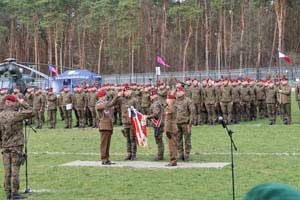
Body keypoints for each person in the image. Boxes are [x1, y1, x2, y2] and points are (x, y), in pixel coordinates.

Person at [0, 95, 34, 200]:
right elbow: (31, 111)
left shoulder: (0, 115)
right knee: (15, 170)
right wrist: (22, 102)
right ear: (13, 103)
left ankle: (8, 193)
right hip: (16, 146)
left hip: (5, 146)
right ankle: (15, 192)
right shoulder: (16, 115)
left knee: (7, 171)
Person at [95, 89, 121, 165]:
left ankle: (107, 158)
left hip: (109, 125)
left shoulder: (105, 103)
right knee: (104, 143)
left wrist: (117, 97)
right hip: (104, 125)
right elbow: (109, 105)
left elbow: (112, 104)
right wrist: (116, 96)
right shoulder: (99, 104)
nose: (105, 97)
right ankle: (103, 159)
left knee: (107, 143)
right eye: (104, 95)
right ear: (101, 97)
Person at [175, 86, 195, 161]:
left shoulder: (188, 100)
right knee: (178, 139)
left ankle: (187, 154)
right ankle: (180, 154)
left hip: (185, 123)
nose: (178, 93)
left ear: (183, 92)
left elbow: (192, 112)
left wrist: (190, 122)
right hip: (177, 123)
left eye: (180, 91)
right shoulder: (175, 101)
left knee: (187, 139)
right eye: (177, 91)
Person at [147, 90, 164, 161]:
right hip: (157, 124)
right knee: (158, 139)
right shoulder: (155, 103)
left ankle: (160, 155)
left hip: (158, 125)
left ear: (154, 96)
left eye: (151, 95)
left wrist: (148, 117)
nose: (150, 97)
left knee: (159, 140)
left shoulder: (156, 104)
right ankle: (160, 154)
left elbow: (156, 114)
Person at [164, 93, 178, 166]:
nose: (166, 100)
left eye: (168, 99)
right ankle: (173, 159)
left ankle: (173, 160)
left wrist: (167, 130)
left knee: (172, 145)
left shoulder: (170, 108)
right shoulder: (171, 107)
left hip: (171, 129)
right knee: (173, 144)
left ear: (171, 100)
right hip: (172, 128)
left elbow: (168, 120)